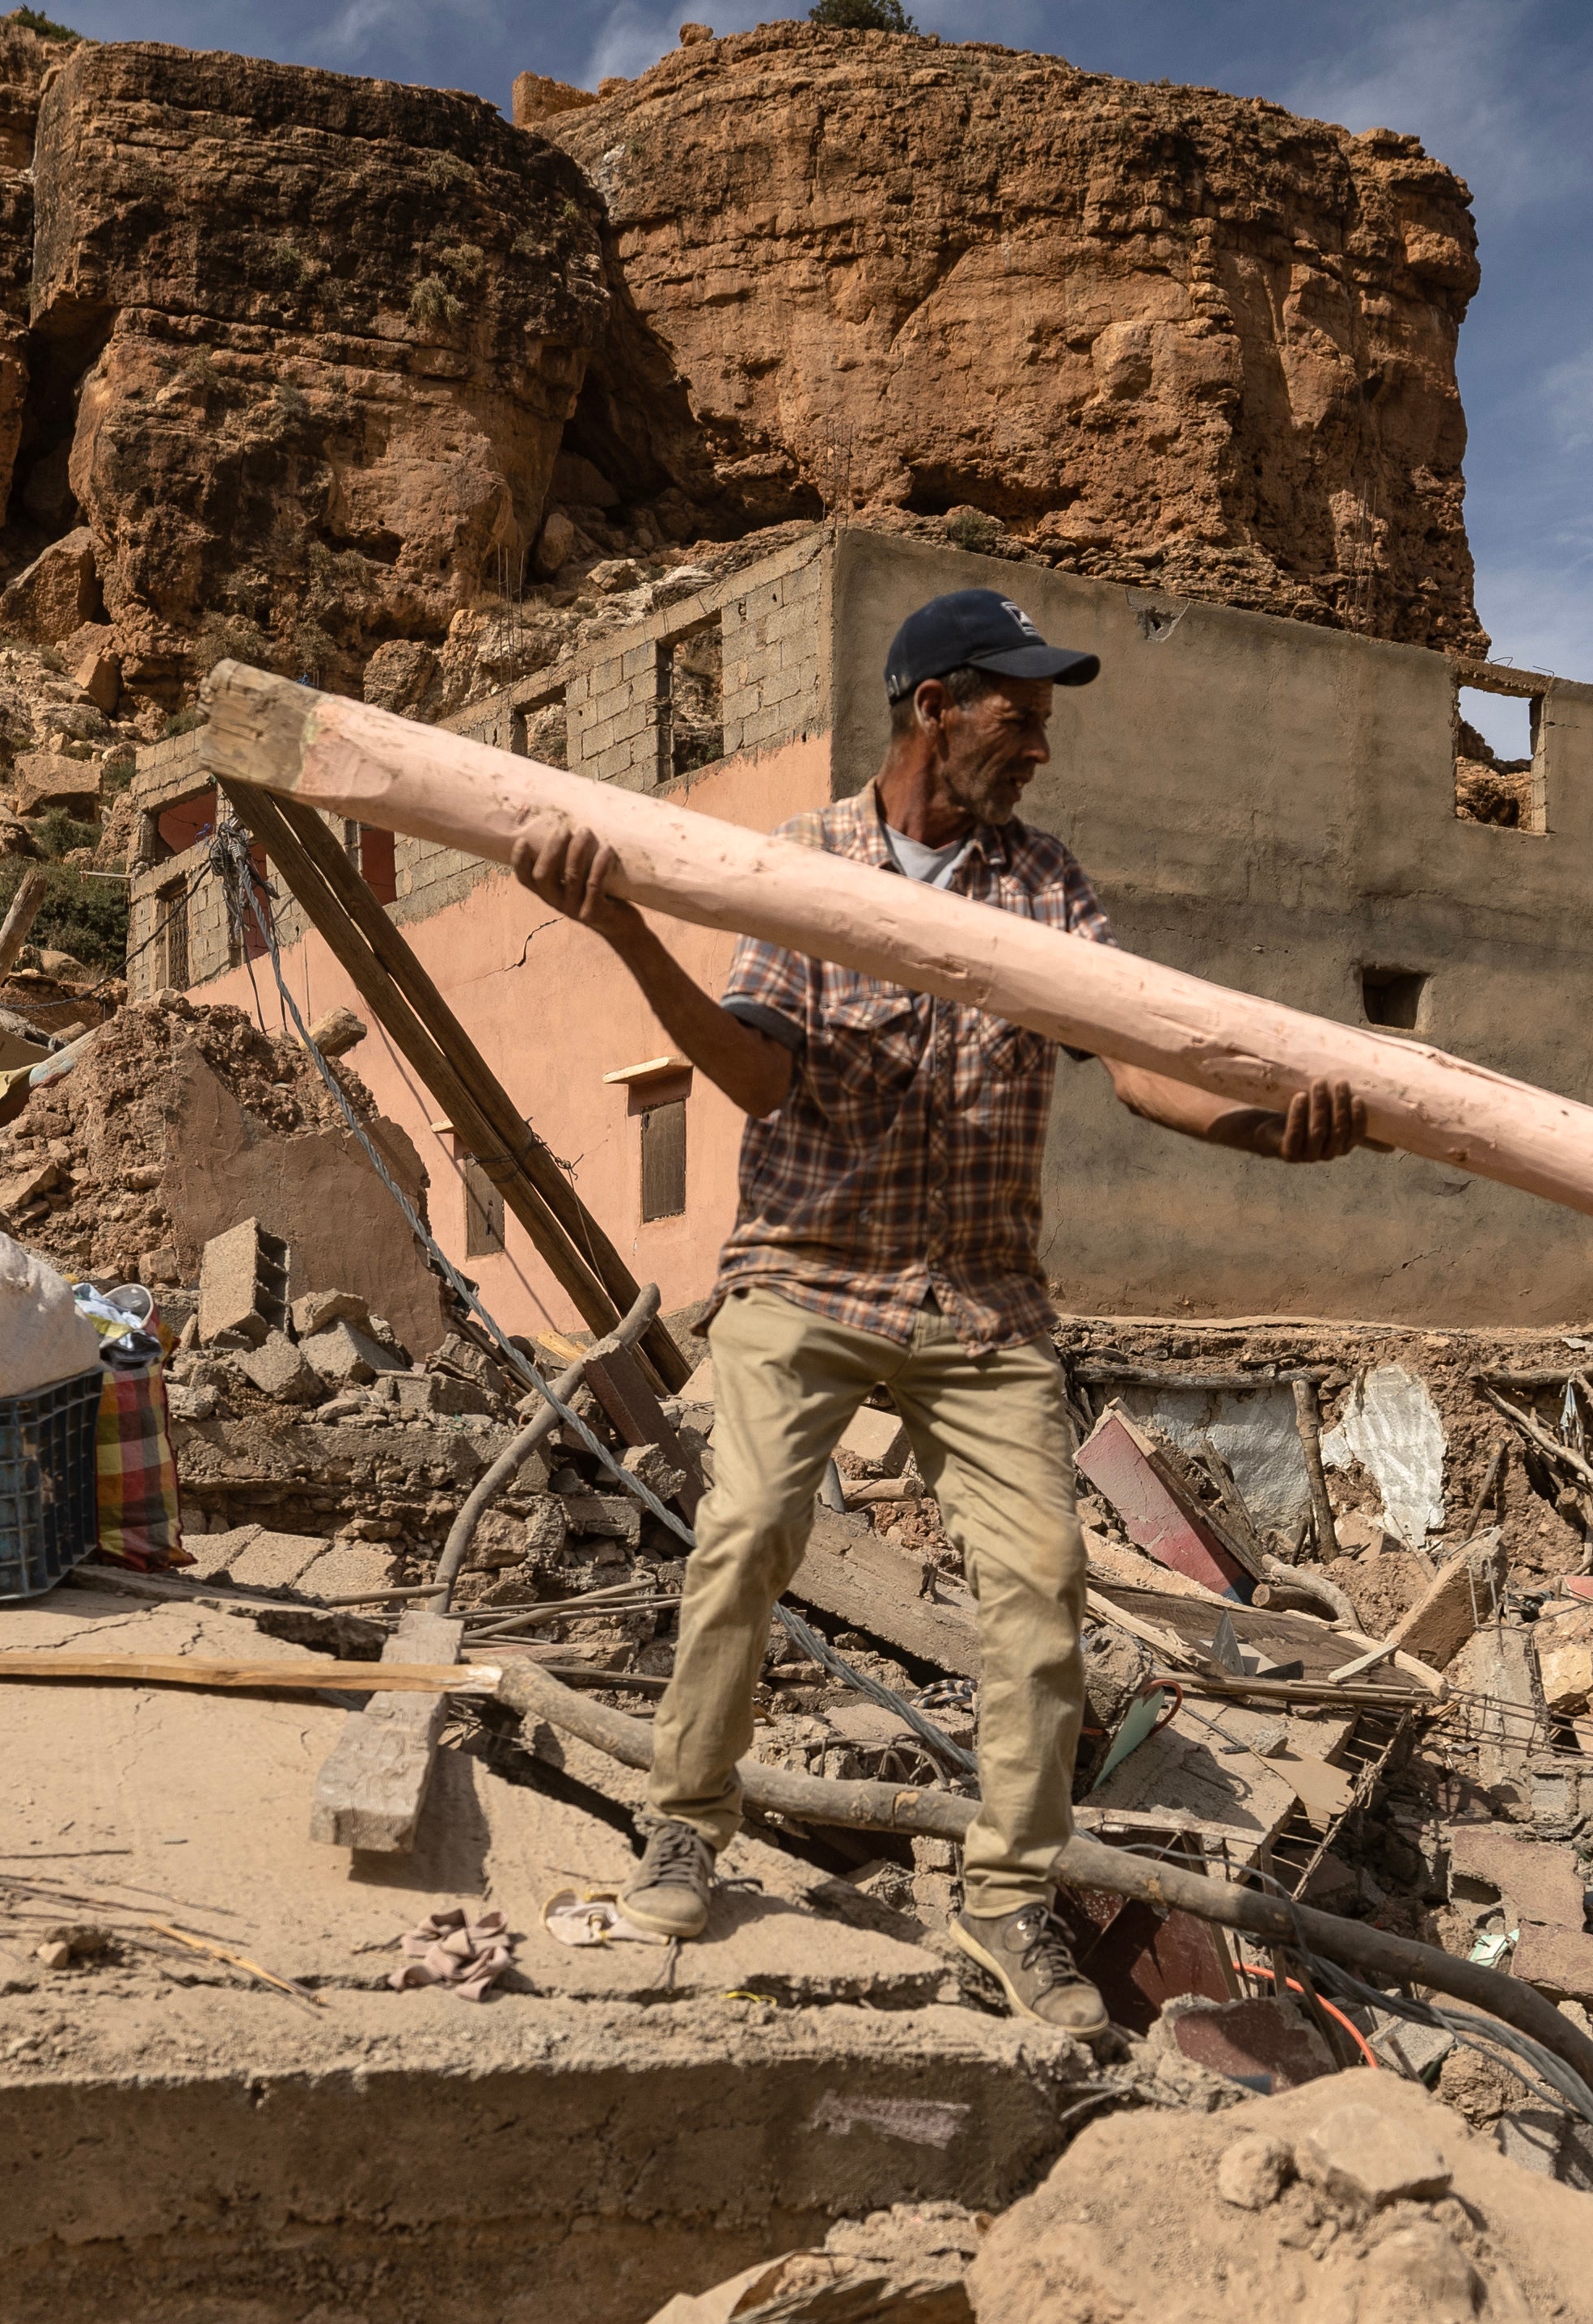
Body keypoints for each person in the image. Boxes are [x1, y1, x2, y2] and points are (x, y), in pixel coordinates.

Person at [506, 585, 1371, 2032]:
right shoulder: (806, 866)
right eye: (1018, 716)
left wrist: (1272, 1130)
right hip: (810, 1271)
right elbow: (760, 1071)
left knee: (1040, 1615)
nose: (1040, 745)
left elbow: (1137, 1064)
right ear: (934, 707)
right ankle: (685, 1824)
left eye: (1043, 720)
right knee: (746, 1541)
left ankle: (1009, 1906)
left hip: (983, 1305)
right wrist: (625, 933)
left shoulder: (1051, 889)